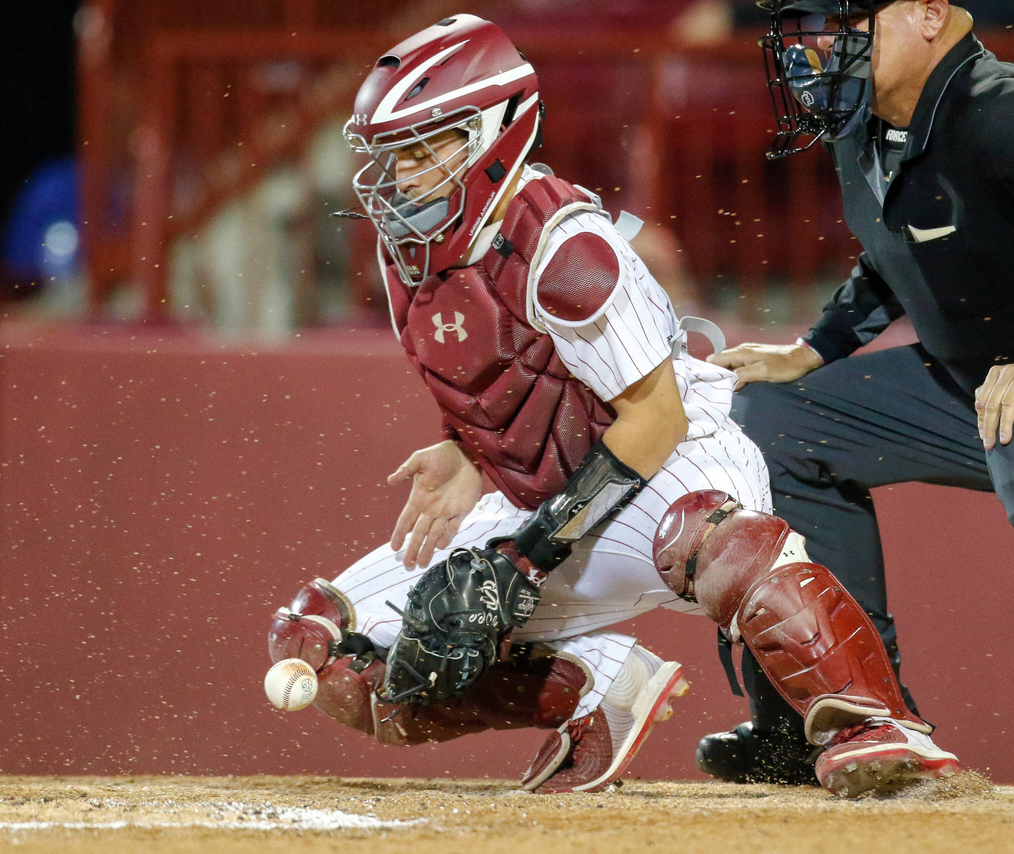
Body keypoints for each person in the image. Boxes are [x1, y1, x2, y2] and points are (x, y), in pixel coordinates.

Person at [267, 14, 961, 798]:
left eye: (427, 150)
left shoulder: (565, 246)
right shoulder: (412, 258)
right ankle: (593, 689)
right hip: (546, 493)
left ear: (494, 134)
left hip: (666, 466)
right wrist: (465, 450)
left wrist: (522, 561)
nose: (403, 177)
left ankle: (877, 725)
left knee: (707, 534)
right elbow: (503, 375)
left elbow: (653, 419)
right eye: (394, 156)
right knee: (323, 644)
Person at [698, 0, 1014, 797]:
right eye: (814, 29)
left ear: (928, 14)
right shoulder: (869, 118)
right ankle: (841, 716)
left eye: (848, 23)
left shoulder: (1012, 116)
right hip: (980, 382)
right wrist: (814, 351)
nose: (821, 50)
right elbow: (895, 252)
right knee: (779, 418)